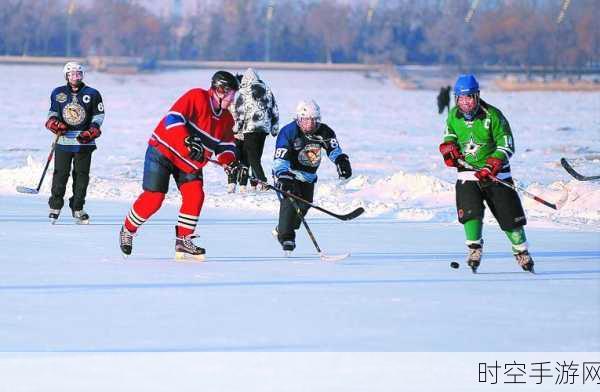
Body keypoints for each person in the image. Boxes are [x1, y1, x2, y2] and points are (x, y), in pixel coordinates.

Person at [119, 71, 241, 260]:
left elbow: (226, 147)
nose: (233, 99)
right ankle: (128, 229)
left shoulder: (226, 119)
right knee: (154, 198)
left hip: (189, 162)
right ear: (219, 90)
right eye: (231, 94)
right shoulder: (196, 96)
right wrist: (187, 140)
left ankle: (183, 240)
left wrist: (231, 162)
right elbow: (172, 119)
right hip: (163, 150)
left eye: (234, 95)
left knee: (195, 195)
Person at [439, 74, 534, 273]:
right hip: (467, 173)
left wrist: (492, 164)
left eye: (469, 97)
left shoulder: (493, 115)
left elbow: (507, 144)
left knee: (509, 217)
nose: (465, 102)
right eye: (461, 98)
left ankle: (521, 251)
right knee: (470, 212)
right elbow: (450, 136)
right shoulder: (453, 115)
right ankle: (474, 249)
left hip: (496, 175)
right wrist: (449, 148)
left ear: (477, 96)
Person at [272, 99, 352, 252]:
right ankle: (286, 237)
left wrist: (341, 160)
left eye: (313, 120)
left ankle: (282, 228)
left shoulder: (324, 131)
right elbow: (280, 157)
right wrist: (283, 175)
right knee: (291, 201)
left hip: (308, 176)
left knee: (304, 203)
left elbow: (333, 149)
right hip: (289, 174)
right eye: (305, 120)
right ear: (298, 119)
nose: (309, 124)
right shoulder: (288, 131)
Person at [46, 61, 104, 224]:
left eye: (78, 74)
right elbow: (52, 113)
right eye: (72, 74)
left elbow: (98, 116)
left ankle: (78, 208)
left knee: (81, 177)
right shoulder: (58, 93)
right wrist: (54, 123)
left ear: (82, 75)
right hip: (64, 141)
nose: (75, 77)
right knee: (60, 174)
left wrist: (92, 130)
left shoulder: (92, 93)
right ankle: (55, 207)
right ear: (66, 76)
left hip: (84, 142)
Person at [232, 68, 279, 192]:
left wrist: (237, 128)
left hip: (250, 127)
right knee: (256, 156)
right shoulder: (267, 90)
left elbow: (240, 112)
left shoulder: (244, 91)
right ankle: (254, 183)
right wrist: (274, 128)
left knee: (252, 157)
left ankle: (262, 182)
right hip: (264, 128)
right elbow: (274, 110)